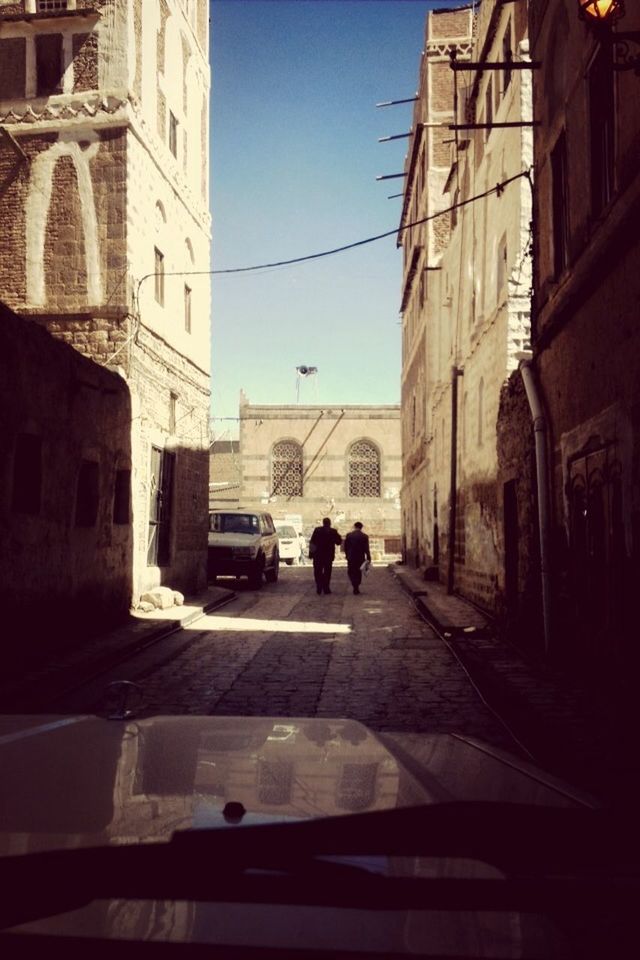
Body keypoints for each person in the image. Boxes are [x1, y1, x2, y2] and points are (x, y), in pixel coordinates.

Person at [309, 517, 342, 595]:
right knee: (327, 572)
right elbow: (339, 542)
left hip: (318, 555)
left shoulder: (317, 530)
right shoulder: (333, 531)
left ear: (323, 523)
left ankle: (319, 587)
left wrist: (311, 554)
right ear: (330, 523)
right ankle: (326, 587)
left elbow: (312, 542)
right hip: (328, 556)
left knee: (317, 571)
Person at [343, 521, 371, 595]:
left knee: (351, 571)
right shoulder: (364, 536)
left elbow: (345, 547)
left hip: (351, 556)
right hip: (360, 557)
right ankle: (356, 586)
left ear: (354, 527)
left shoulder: (349, 535)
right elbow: (366, 548)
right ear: (361, 527)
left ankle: (354, 584)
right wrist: (368, 557)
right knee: (358, 572)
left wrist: (346, 555)